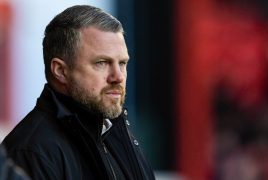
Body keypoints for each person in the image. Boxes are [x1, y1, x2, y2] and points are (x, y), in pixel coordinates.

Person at [2, 5, 155, 180]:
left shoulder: (116, 133)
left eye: (122, 63)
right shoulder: (32, 151)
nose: (118, 77)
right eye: (102, 62)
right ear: (60, 71)